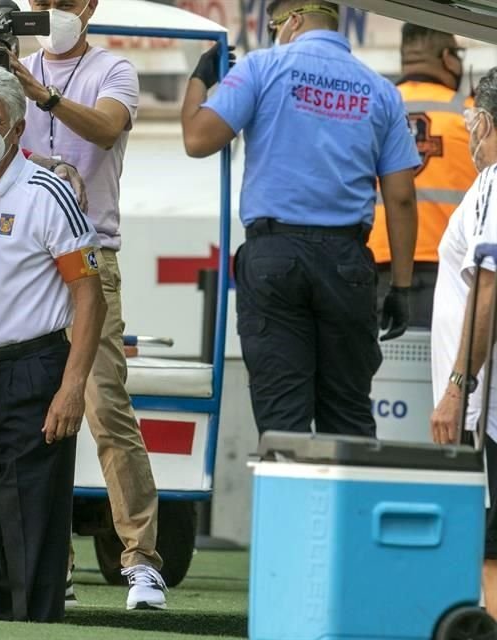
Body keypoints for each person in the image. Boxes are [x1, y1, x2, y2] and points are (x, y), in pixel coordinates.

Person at [181, 0, 419, 436]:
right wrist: (402, 287)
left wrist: (201, 79)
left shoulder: (262, 68)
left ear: (291, 21)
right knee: (348, 416)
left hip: (275, 256)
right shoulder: (381, 90)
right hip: (347, 262)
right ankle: (348, 502)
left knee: (282, 421)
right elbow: (401, 197)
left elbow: (197, 139)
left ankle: (284, 501)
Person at [9, 0, 166, 610]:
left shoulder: (113, 69)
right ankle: (55, 566)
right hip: (21, 259)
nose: (50, 12)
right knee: (31, 408)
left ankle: (142, 562)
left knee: (105, 405)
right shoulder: (12, 66)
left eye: (63, 1)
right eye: (40, 3)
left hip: (91, 256)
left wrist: (38, 94)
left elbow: (105, 128)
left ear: (91, 5)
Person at [0, 64, 106, 623]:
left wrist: (73, 386)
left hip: (35, 369)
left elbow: (90, 294)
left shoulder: (46, 192)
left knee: (32, 525)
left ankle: (35, 629)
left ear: (17, 128)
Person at [429, 67, 497, 618]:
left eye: (473, 119)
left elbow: (487, 289)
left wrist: (458, 386)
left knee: (488, 550)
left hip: (489, 410)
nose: (470, 131)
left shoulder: (495, 183)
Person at [369, 24, 477, 328]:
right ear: (447, 57)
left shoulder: (373, 110)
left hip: (379, 266)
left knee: (383, 371)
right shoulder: (470, 120)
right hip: (450, 272)